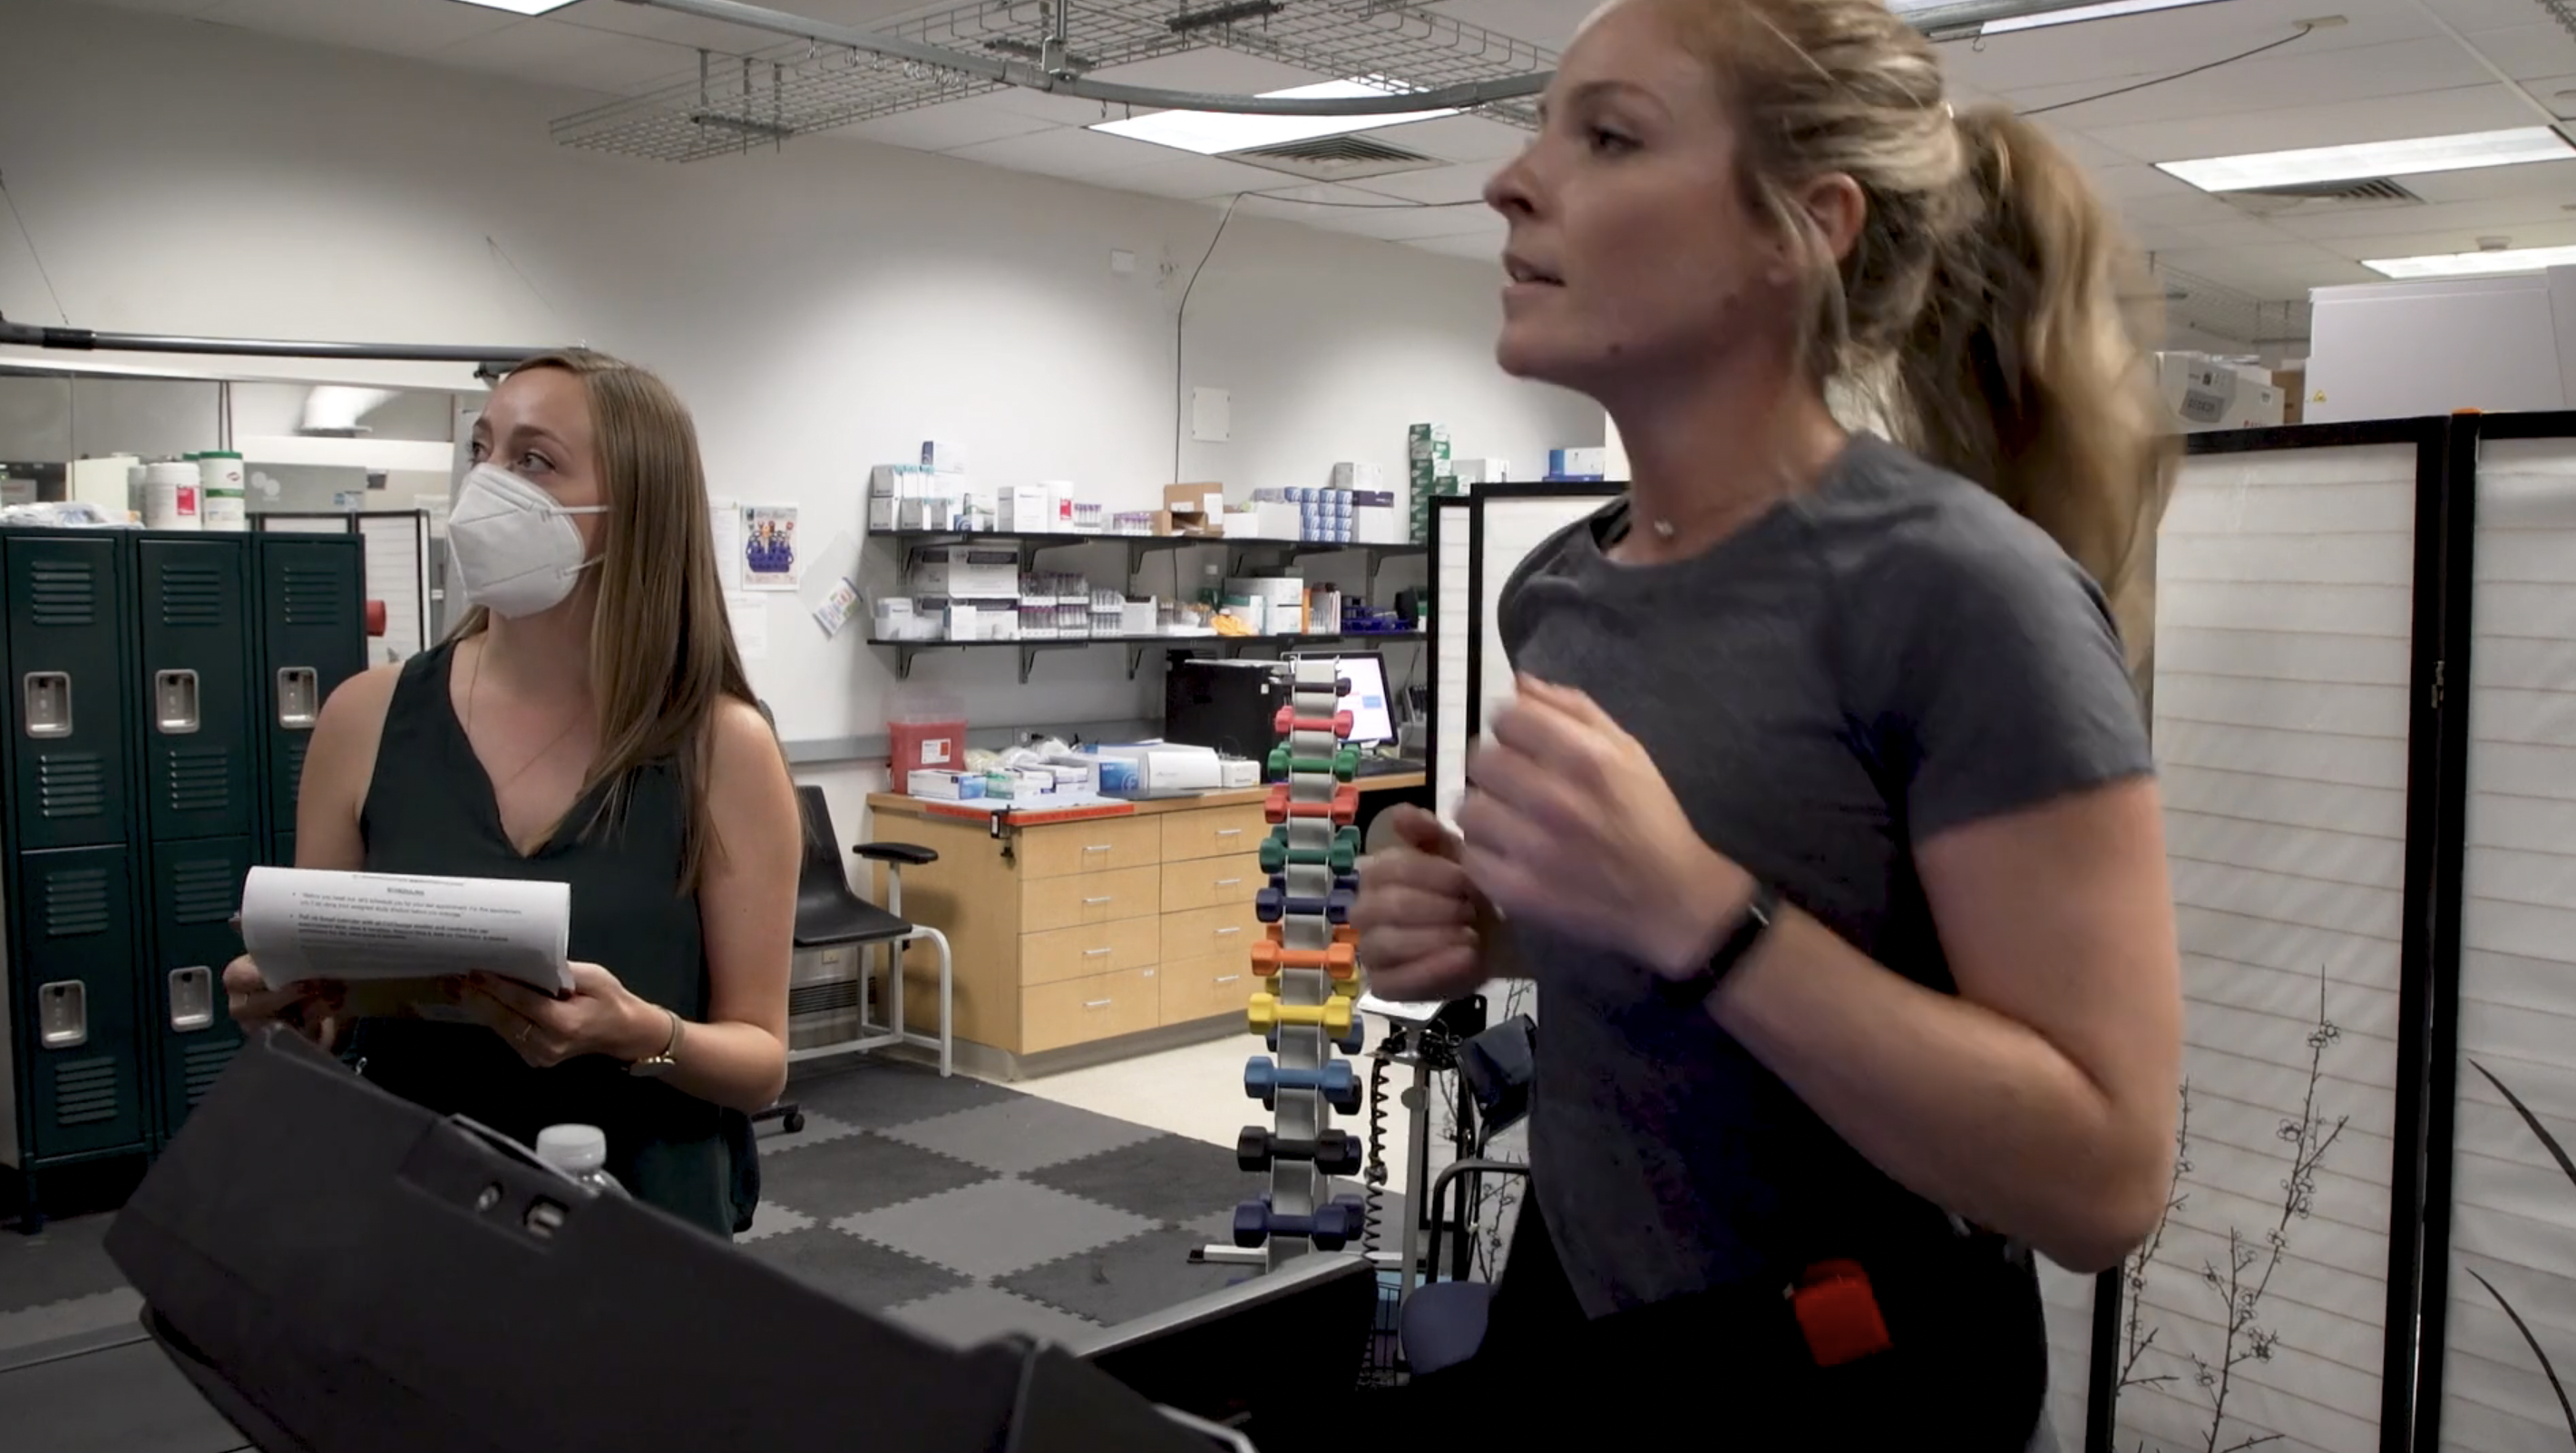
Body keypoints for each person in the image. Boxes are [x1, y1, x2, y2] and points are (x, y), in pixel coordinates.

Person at [1342, 0, 2182, 1444]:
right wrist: (1500, 927)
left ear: (1806, 227)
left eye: (1609, 137)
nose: (1512, 180)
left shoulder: (1965, 594)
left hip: (1851, 1377)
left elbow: (2105, 1179)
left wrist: (1696, 909)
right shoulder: (1564, 592)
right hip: (1597, 1333)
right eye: (1543, 130)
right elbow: (1735, 944)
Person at [222, 348, 798, 1239]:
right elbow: (329, 1018)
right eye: (481, 450)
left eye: (534, 460)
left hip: (642, 1225)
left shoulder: (721, 749)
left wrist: (642, 1034)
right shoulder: (366, 717)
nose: (487, 484)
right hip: (416, 1211)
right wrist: (289, 1013)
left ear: (634, 512)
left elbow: (759, 1065)